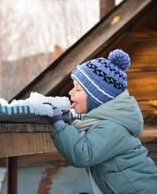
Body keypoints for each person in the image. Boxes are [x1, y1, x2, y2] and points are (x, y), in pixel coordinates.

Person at [50, 49, 157, 194]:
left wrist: (59, 125)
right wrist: (68, 120)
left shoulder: (112, 127)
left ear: (97, 98)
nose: (70, 93)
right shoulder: (104, 122)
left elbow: (83, 154)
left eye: (78, 89)